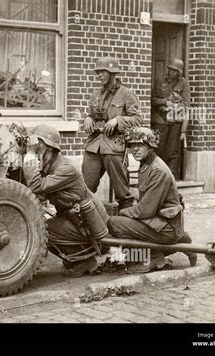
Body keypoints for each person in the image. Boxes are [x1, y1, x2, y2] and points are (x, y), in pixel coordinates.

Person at [22, 124, 110, 277]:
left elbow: (36, 186)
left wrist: (29, 154)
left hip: (92, 225)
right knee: (45, 223)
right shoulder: (48, 165)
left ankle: (85, 260)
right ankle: (76, 255)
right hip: (76, 219)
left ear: (49, 147)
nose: (35, 145)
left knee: (43, 229)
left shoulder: (66, 168)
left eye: (38, 142)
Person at [107, 127, 197, 273]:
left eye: (140, 145)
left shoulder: (157, 170)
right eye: (132, 145)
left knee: (115, 223)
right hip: (160, 223)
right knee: (125, 224)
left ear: (150, 147)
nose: (135, 149)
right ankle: (180, 240)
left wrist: (123, 212)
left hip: (165, 227)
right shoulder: (146, 165)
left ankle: (154, 257)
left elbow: (144, 211)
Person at [82, 56, 143, 210]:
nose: (99, 75)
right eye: (98, 72)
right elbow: (91, 113)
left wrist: (117, 120)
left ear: (112, 73)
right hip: (94, 146)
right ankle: (85, 221)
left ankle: (125, 221)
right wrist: (88, 118)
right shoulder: (96, 95)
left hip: (114, 147)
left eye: (103, 72)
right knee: (84, 189)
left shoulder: (126, 94)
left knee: (123, 192)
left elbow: (138, 119)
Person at [151, 58, 191, 180]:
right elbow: (152, 100)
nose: (171, 73)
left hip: (175, 122)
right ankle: (158, 176)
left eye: (175, 71)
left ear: (179, 73)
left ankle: (172, 178)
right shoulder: (160, 81)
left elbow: (186, 103)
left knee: (173, 151)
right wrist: (165, 102)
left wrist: (175, 107)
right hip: (160, 121)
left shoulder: (184, 84)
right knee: (159, 149)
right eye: (170, 70)